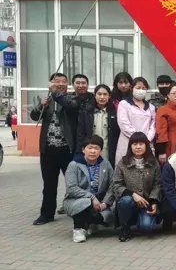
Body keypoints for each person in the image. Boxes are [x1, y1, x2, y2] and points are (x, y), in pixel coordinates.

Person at [31, 73, 77, 225]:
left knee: (73, 183)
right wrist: (41, 106)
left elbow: (71, 107)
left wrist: (55, 92)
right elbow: (34, 116)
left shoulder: (71, 99)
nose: (61, 84)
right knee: (49, 185)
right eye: (57, 81)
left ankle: (77, 211)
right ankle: (47, 214)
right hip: (48, 149)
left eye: (64, 81)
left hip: (67, 149)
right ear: (50, 83)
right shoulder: (46, 100)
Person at [62, 135, 114, 243]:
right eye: (89, 148)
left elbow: (113, 185)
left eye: (96, 148)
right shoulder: (74, 165)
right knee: (84, 204)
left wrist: (105, 203)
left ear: (100, 151)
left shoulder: (105, 164)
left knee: (108, 217)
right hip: (76, 200)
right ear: (83, 150)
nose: (93, 151)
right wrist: (91, 197)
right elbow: (72, 188)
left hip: (99, 202)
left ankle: (90, 223)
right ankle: (79, 229)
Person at [112, 132, 162, 242]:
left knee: (147, 227)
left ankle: (139, 220)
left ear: (146, 145)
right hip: (129, 201)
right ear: (130, 146)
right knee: (125, 201)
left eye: (141, 144)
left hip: (146, 203)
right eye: (134, 144)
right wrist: (132, 195)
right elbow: (116, 185)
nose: (138, 147)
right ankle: (125, 228)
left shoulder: (153, 163)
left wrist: (154, 202)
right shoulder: (123, 162)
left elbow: (157, 184)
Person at [115, 77, 156, 167]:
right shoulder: (124, 104)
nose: (141, 90)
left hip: (146, 143)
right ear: (131, 88)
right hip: (128, 142)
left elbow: (153, 125)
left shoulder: (151, 107)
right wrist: (138, 139)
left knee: (147, 169)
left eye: (144, 88)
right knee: (126, 168)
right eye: (138, 88)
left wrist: (146, 139)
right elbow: (123, 124)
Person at [77, 84, 118, 169]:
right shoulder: (87, 112)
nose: (102, 97)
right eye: (99, 94)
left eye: (105, 94)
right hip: (91, 150)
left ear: (109, 96)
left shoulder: (115, 113)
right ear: (95, 95)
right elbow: (81, 134)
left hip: (108, 150)